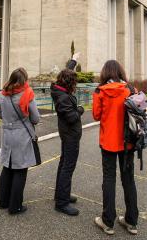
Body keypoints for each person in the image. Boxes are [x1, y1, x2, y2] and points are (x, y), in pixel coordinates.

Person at [93, 60, 138, 235]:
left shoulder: (100, 91)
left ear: (105, 73)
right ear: (120, 71)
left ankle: (108, 221)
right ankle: (131, 221)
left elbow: (96, 115)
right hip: (128, 142)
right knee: (128, 179)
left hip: (108, 142)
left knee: (109, 179)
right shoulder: (130, 89)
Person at [0, 67, 40, 214]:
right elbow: (35, 118)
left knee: (7, 167)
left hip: (7, 134)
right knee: (20, 169)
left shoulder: (2, 94)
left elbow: (0, 114)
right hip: (22, 135)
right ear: (24, 80)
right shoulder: (27, 94)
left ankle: (3, 201)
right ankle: (15, 206)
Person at [51, 52, 84, 216]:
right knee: (67, 167)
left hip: (67, 134)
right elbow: (72, 117)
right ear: (69, 83)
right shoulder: (63, 97)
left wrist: (73, 60)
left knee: (64, 163)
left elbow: (66, 73)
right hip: (70, 134)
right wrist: (80, 109)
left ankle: (60, 194)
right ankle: (61, 203)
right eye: (74, 82)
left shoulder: (59, 88)